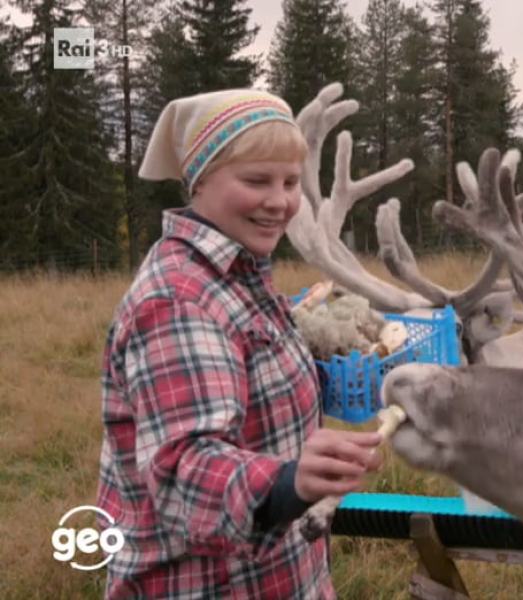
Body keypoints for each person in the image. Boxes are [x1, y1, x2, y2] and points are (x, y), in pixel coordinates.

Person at [96, 89, 382, 599]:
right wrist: (292, 480)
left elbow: (255, 386)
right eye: (256, 181)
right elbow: (186, 470)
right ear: (199, 179)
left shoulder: (240, 274)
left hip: (283, 575)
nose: (280, 201)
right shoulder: (178, 301)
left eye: (291, 182)